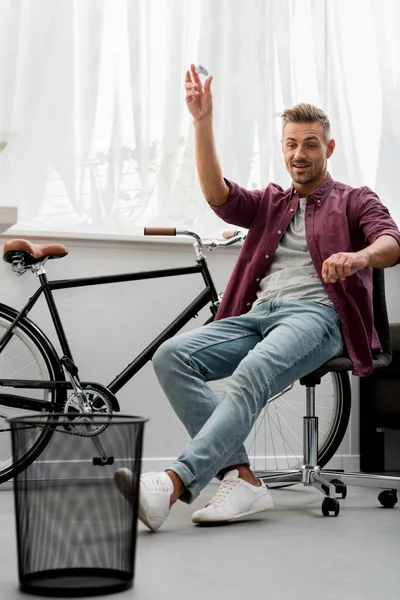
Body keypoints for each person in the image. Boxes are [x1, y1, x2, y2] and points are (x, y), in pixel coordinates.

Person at [114, 63, 400, 532]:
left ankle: (172, 483)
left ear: (328, 148)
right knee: (171, 356)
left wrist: (359, 257)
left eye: (310, 144)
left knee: (254, 370)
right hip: (258, 315)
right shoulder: (270, 202)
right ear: (283, 149)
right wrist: (201, 122)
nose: (300, 154)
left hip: (318, 317)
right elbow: (216, 193)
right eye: (291, 144)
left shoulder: (354, 199)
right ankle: (241, 477)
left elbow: (391, 242)